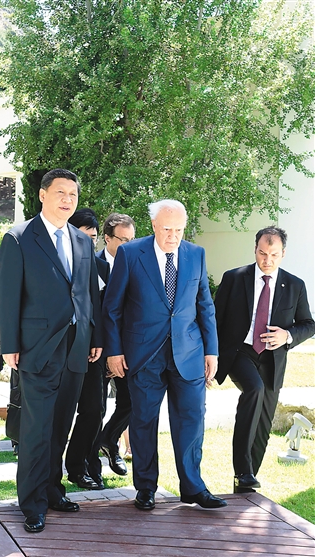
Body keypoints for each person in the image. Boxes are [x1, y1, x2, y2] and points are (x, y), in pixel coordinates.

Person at [103, 199, 227, 511]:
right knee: (144, 420)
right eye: (167, 229)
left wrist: (211, 351)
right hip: (143, 355)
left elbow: (205, 306)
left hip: (189, 353)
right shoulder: (131, 253)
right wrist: (114, 351)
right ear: (154, 226)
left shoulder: (196, 254)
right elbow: (112, 308)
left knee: (191, 420)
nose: (173, 236)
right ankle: (146, 488)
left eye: (179, 230)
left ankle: (193, 487)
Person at [0, 169, 103, 534]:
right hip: (36, 348)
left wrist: (94, 336)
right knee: (37, 429)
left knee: (60, 425)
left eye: (73, 194)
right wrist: (9, 345)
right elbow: (8, 296)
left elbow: (89, 293)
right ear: (43, 195)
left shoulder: (82, 241)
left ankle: (53, 491)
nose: (68, 200)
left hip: (76, 347)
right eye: (60, 192)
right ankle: (32, 503)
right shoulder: (19, 237)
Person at [214, 226, 315, 492]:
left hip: (273, 359)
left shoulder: (295, 285)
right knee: (254, 389)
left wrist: (287, 335)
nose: (267, 260)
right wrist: (208, 356)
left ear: (283, 254)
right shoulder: (234, 278)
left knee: (263, 422)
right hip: (240, 352)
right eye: (262, 253)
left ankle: (245, 485)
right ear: (255, 249)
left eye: (273, 255)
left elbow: (308, 324)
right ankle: (243, 470)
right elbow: (215, 320)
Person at [65, 208, 110, 490]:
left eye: (93, 238)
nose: (89, 242)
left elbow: (106, 312)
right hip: (61, 348)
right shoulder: (60, 263)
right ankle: (47, 472)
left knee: (95, 410)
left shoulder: (103, 268)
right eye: (85, 236)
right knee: (60, 414)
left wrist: (103, 345)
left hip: (93, 351)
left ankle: (79, 466)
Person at [90, 213, 135, 479]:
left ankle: (109, 439)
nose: (129, 245)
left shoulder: (138, 265)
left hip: (128, 349)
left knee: (132, 401)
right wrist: (105, 350)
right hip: (97, 350)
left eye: (132, 239)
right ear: (107, 238)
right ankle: (91, 465)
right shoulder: (91, 265)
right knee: (96, 408)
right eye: (123, 240)